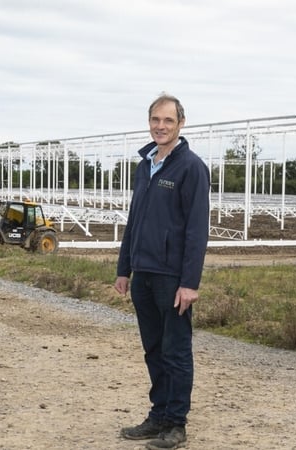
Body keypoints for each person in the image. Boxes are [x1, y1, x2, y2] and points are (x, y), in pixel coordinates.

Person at [114, 93, 210, 450]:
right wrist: (124, 269)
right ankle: (158, 415)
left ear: (181, 123)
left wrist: (189, 283)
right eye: (156, 119)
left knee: (176, 351)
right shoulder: (145, 165)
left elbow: (197, 230)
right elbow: (134, 220)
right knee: (153, 349)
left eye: (168, 120)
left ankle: (176, 423)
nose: (161, 126)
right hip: (143, 274)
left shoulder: (191, 167)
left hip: (172, 278)